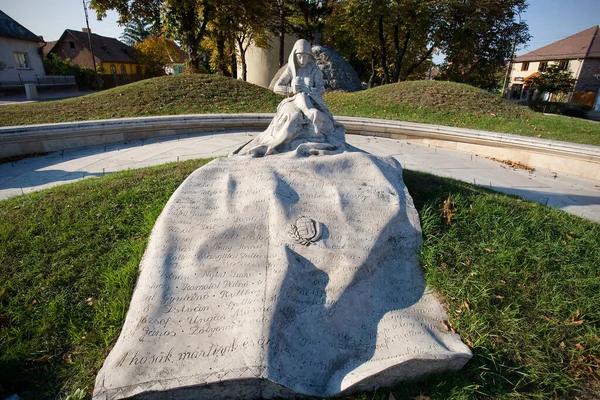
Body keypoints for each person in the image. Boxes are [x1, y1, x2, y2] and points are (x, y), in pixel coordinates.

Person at [236, 39, 345, 157]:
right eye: (299, 57)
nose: (302, 60)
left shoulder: (314, 70)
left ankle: (309, 114)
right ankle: (277, 144)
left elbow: (321, 89)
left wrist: (307, 89)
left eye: (305, 57)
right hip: (292, 101)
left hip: (312, 101)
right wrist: (291, 90)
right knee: (294, 116)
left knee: (307, 101)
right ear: (294, 55)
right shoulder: (291, 69)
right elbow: (277, 87)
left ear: (309, 56)